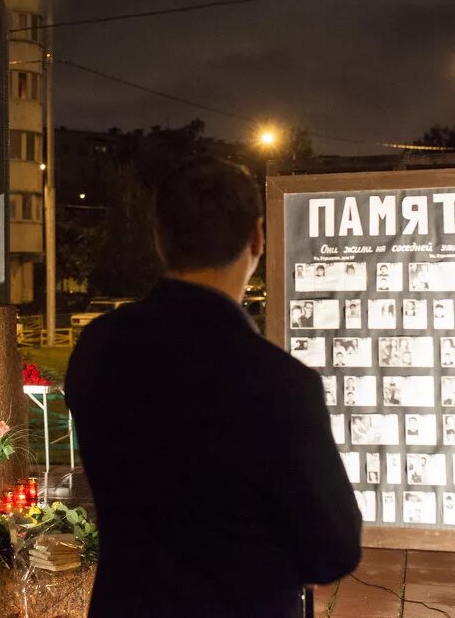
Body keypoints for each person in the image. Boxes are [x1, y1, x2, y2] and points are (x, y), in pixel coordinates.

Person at [65, 155, 361, 617]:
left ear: (160, 239)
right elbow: (333, 549)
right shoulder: (282, 384)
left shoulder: (99, 348)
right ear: (257, 238)